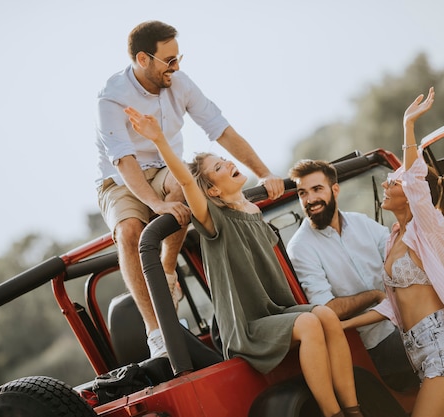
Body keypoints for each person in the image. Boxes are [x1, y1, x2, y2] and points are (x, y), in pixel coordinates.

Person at [123, 105, 365, 417]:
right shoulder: (214, 219)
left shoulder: (253, 211)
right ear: (212, 189)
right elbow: (185, 182)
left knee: (328, 317)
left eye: (225, 160)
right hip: (246, 326)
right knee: (308, 322)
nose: (227, 163)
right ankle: (334, 414)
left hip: (277, 312)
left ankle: (354, 409)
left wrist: (267, 175)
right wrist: (159, 140)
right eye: (218, 168)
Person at [94, 21, 284, 358]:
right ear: (142, 58)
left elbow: (221, 130)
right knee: (130, 231)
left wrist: (265, 172)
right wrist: (155, 204)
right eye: (169, 60)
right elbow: (123, 161)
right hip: (121, 178)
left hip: (164, 167)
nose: (177, 66)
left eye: (178, 57)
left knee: (188, 189)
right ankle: (157, 332)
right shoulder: (112, 98)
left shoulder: (179, 83)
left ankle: (167, 271)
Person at [286, 144, 444, 401]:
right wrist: (373, 295)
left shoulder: (361, 223)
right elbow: (326, 310)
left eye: (317, 189)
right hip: (379, 341)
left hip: (409, 317)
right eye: (302, 193)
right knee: (443, 327)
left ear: (334, 190)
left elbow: (415, 253)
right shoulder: (301, 247)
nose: (310, 199)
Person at [331, 88, 444, 416]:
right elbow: (393, 307)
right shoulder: (395, 240)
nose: (385, 186)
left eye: (392, 182)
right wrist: (342, 326)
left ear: (408, 194)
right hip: (421, 351)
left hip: (443, 344)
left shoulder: (426, 227)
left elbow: (418, 183)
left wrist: (408, 127)